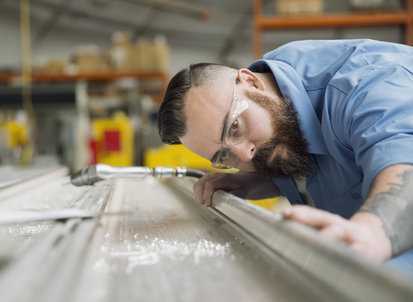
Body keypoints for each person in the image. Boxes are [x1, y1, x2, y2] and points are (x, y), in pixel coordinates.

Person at [157, 39, 413, 274]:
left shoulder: (367, 87)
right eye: (224, 155)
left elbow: (405, 172)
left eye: (235, 127)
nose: (246, 155)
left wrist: (373, 235)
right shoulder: (273, 94)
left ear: (251, 82)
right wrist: (253, 181)